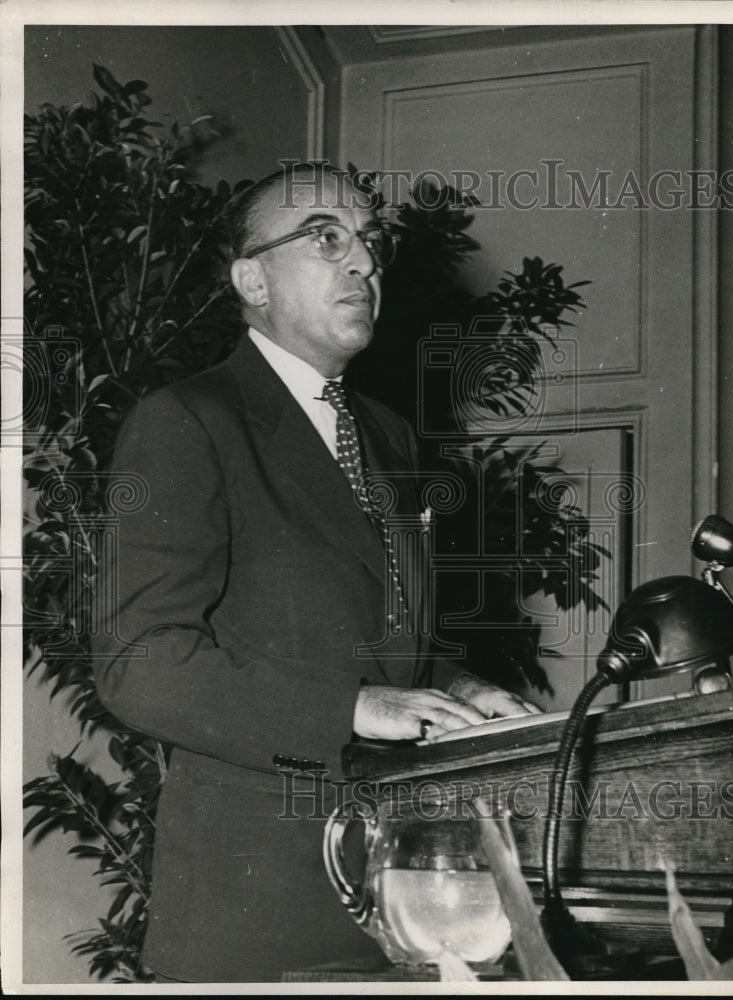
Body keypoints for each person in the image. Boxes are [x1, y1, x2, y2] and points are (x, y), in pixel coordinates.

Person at [92, 162, 538, 982]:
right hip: (258, 905)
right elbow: (139, 664)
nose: (363, 261)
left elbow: (382, 639)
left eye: (369, 241)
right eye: (325, 238)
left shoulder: (389, 436)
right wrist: (353, 707)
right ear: (251, 278)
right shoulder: (187, 421)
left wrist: (464, 691)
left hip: (409, 889)